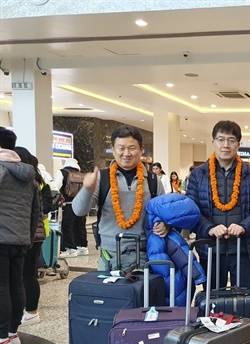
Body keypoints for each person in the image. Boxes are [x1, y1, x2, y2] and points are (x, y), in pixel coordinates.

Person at [186, 120, 250, 289]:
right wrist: (209, 228)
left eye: (231, 140)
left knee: (245, 297)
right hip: (210, 250)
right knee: (213, 298)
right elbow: (191, 210)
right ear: (213, 142)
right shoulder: (198, 174)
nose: (225, 145)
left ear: (238, 144)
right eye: (221, 139)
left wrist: (244, 226)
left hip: (243, 249)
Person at [72, 125, 165, 271]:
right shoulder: (102, 178)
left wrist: (165, 225)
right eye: (121, 148)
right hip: (109, 256)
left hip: (145, 255)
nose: (126, 153)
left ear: (141, 150)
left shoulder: (153, 180)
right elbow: (78, 211)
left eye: (132, 148)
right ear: (113, 150)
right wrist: (87, 189)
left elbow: (164, 214)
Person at [0, 128, 40, 344]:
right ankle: (12, 333)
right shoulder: (29, 176)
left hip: (1, 239)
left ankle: (1, 337)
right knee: (16, 284)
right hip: (21, 239)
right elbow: (36, 212)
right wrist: (27, 236)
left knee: (2, 287)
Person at [13, 147, 53, 326]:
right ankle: (29, 309)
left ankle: (31, 311)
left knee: (26, 274)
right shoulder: (40, 181)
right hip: (38, 232)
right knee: (28, 273)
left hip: (28, 233)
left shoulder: (27, 183)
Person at [56, 158, 88, 257]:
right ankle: (82, 247)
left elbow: (56, 186)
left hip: (68, 203)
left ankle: (70, 248)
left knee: (67, 225)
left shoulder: (62, 173)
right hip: (81, 203)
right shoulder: (82, 175)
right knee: (80, 225)